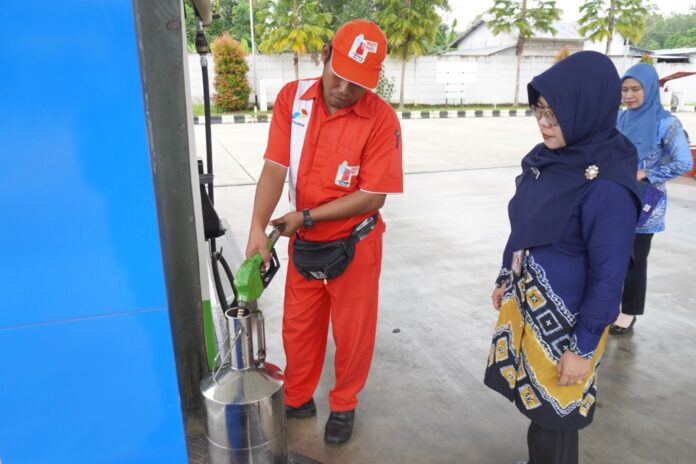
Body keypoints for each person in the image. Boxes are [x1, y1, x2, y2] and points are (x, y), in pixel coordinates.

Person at [244, 19, 403, 446]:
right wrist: (257, 226)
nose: (345, 90)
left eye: (358, 83)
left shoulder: (381, 119)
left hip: (356, 243)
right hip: (305, 243)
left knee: (352, 332)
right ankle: (298, 398)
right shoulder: (292, 99)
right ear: (325, 55)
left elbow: (372, 196)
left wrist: (307, 216)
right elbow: (275, 166)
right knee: (299, 327)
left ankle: (344, 404)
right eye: (340, 75)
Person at [484, 51, 641, 464]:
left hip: (568, 326)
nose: (544, 122)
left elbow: (609, 277)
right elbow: (524, 223)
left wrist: (583, 348)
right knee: (540, 415)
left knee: (557, 424)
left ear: (586, 110)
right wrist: (506, 275)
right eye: (539, 110)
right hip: (531, 309)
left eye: (556, 114)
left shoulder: (607, 185)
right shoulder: (549, 160)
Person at [609, 63, 693, 335]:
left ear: (649, 89)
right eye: (624, 90)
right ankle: (608, 305)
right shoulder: (620, 119)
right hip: (615, 198)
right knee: (610, 255)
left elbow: (684, 162)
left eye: (635, 89)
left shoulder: (666, 123)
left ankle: (628, 312)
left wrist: (647, 172)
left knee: (635, 259)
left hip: (645, 202)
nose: (628, 95)